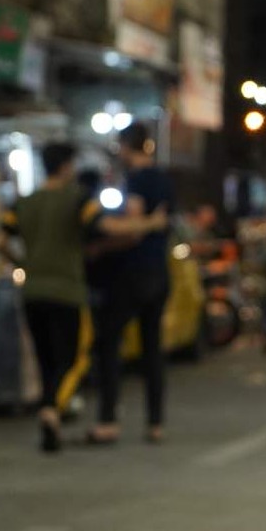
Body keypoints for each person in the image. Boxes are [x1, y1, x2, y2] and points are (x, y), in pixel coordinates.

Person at [0, 143, 166, 453]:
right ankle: (50, 409)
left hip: (32, 291)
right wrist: (149, 224)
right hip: (67, 291)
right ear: (65, 168)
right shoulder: (76, 199)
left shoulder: (25, 201)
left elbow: (0, 239)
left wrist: (22, 263)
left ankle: (51, 412)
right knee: (73, 357)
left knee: (46, 358)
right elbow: (106, 226)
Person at [87, 123, 173, 445]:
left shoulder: (137, 180)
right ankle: (155, 423)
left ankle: (108, 419)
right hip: (159, 272)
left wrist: (99, 247)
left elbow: (133, 228)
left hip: (132, 273)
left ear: (126, 146)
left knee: (110, 342)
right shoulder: (164, 179)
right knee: (152, 349)